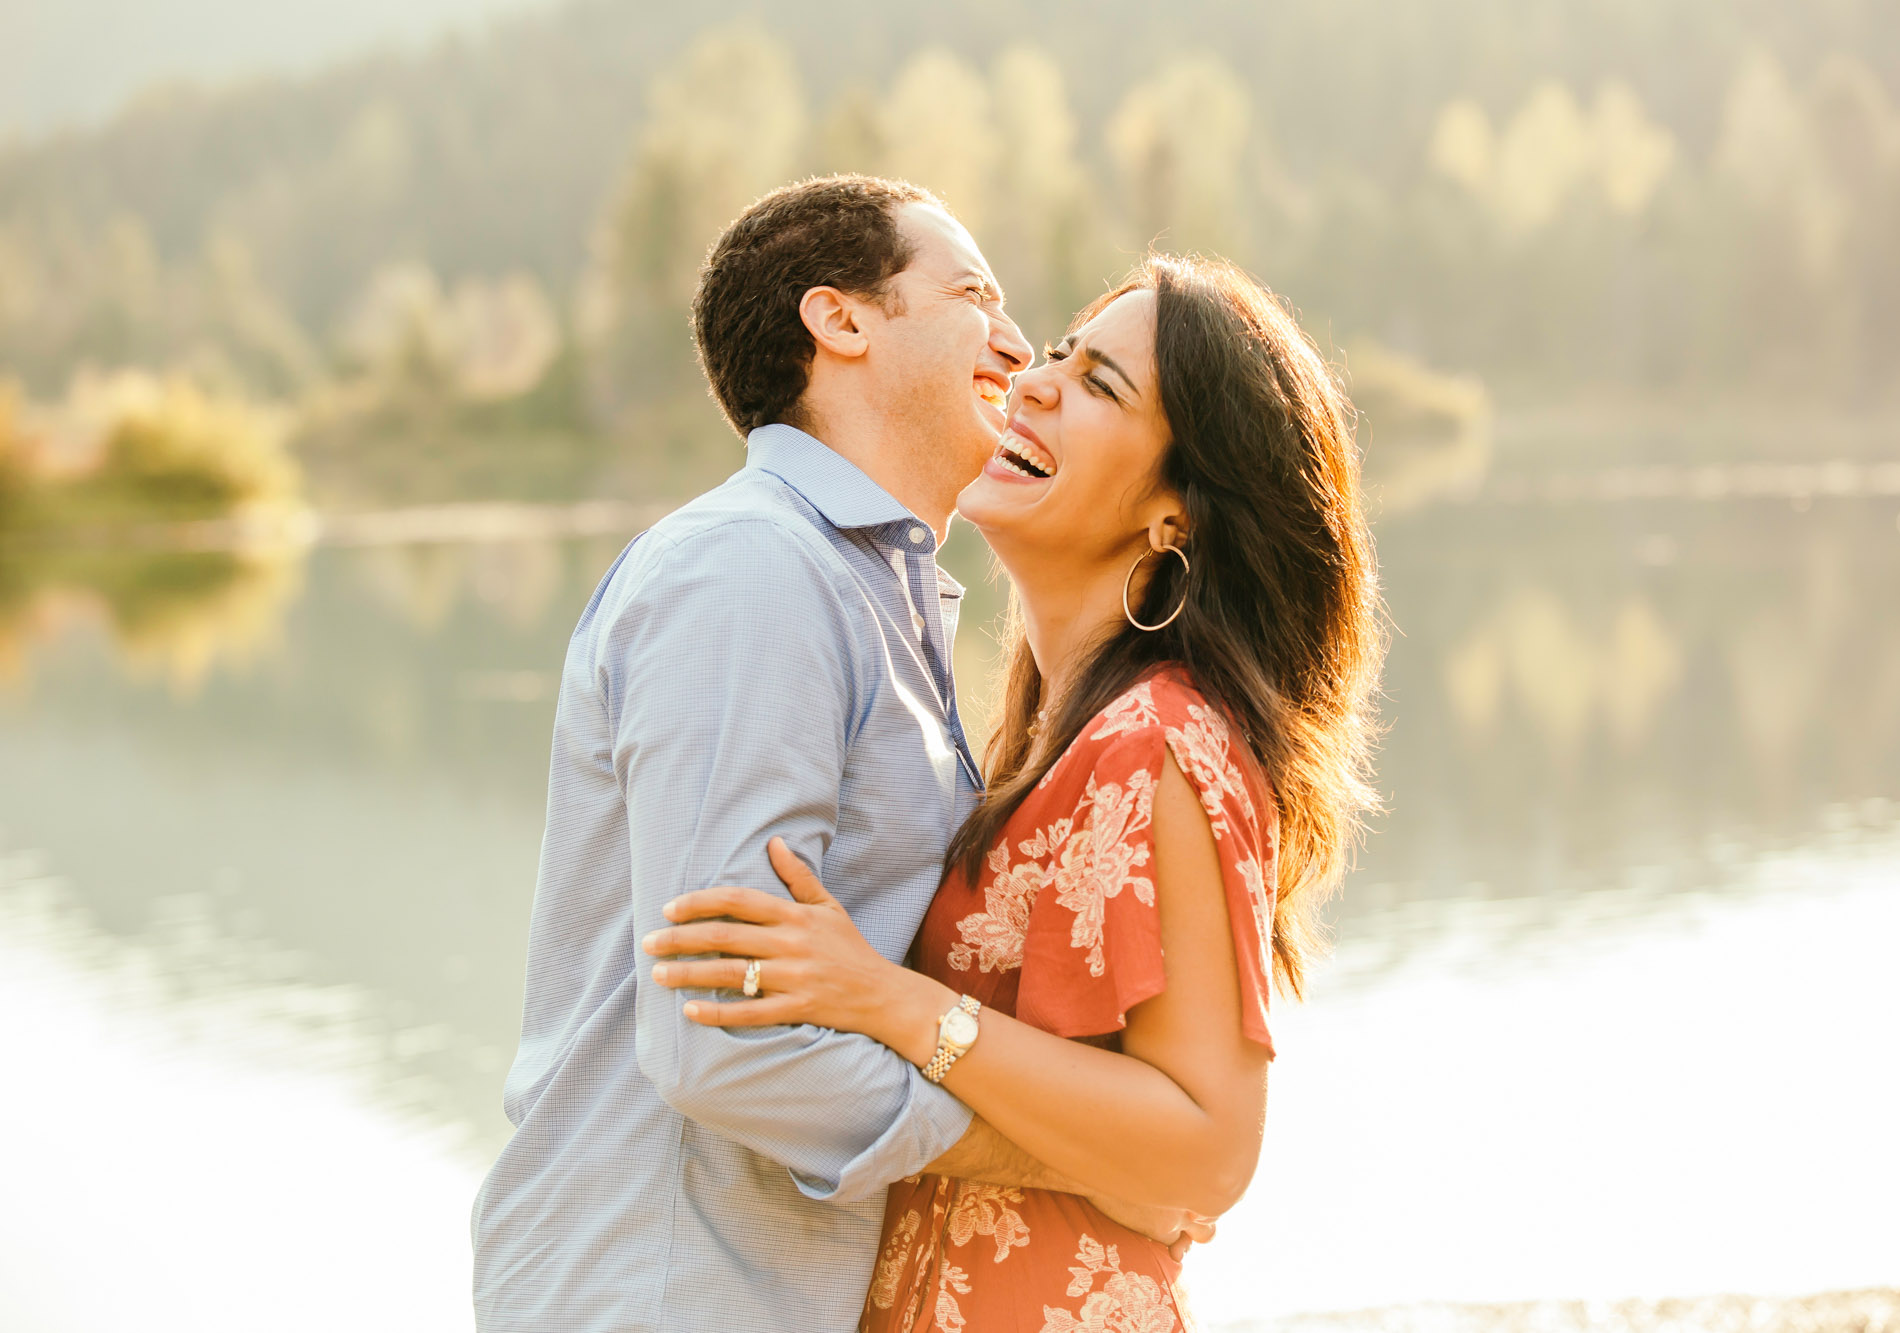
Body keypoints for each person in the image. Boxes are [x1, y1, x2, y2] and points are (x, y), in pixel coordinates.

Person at [472, 177, 1208, 1333]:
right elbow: (728, 1047)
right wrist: (1073, 1159)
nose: (1017, 346)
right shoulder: (753, 574)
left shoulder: (872, 594)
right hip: (667, 1296)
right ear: (843, 322)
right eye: (975, 295)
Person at [645, 252, 1385, 1330]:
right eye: (1058, 357)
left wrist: (886, 998)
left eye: (1100, 387)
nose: (1034, 382)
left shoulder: (1163, 742)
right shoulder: (1040, 741)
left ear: (1176, 514)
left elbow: (1211, 1148)